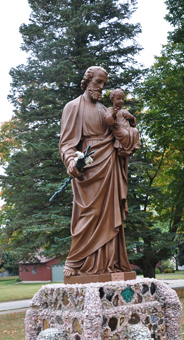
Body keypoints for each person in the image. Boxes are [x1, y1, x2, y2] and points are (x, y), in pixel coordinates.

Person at [59, 66, 135, 278]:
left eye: (104, 83)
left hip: (109, 166)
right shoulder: (73, 107)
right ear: (87, 80)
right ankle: (76, 260)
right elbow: (66, 144)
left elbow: (120, 136)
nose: (101, 87)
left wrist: (127, 128)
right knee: (89, 214)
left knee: (110, 215)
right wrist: (71, 161)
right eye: (98, 82)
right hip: (88, 170)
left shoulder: (105, 110)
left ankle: (109, 264)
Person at [104, 89, 141, 157]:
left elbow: (133, 122)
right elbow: (108, 119)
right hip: (118, 128)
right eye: (118, 99)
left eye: (122, 99)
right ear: (113, 99)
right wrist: (113, 115)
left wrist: (131, 118)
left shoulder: (124, 111)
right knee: (125, 134)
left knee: (136, 131)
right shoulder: (111, 109)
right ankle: (123, 149)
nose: (121, 101)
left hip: (127, 127)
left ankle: (134, 146)